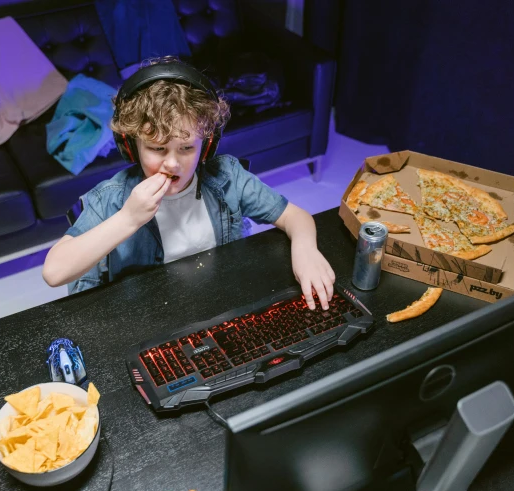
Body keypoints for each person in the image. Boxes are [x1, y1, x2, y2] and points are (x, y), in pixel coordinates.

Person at [42, 58, 336, 310]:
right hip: (145, 319)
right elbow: (54, 272)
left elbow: (295, 216)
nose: (173, 163)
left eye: (186, 149)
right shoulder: (112, 199)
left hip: (219, 305)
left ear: (206, 148)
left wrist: (306, 250)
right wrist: (128, 219)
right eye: (157, 149)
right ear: (131, 148)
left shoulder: (228, 178)